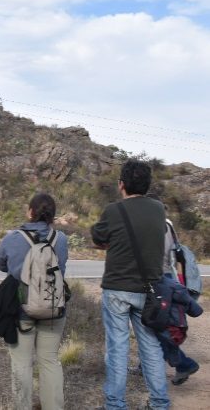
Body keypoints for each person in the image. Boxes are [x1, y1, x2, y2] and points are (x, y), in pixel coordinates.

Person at [91, 160, 170, 410]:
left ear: (121, 184)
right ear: (147, 185)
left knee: (117, 348)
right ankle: (159, 403)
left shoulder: (113, 210)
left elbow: (99, 238)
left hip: (117, 289)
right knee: (151, 348)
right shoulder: (159, 209)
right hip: (149, 290)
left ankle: (115, 404)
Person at [0, 193, 69, 410]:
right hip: (54, 308)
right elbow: (61, 268)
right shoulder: (61, 239)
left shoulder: (12, 238)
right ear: (53, 215)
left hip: (21, 311)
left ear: (30, 211)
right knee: (50, 362)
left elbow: (2, 265)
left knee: (21, 364)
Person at [146, 193, 201, 386]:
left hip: (157, 280)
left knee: (157, 326)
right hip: (168, 278)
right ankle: (151, 365)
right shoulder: (168, 224)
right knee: (156, 326)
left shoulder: (156, 225)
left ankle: (183, 364)